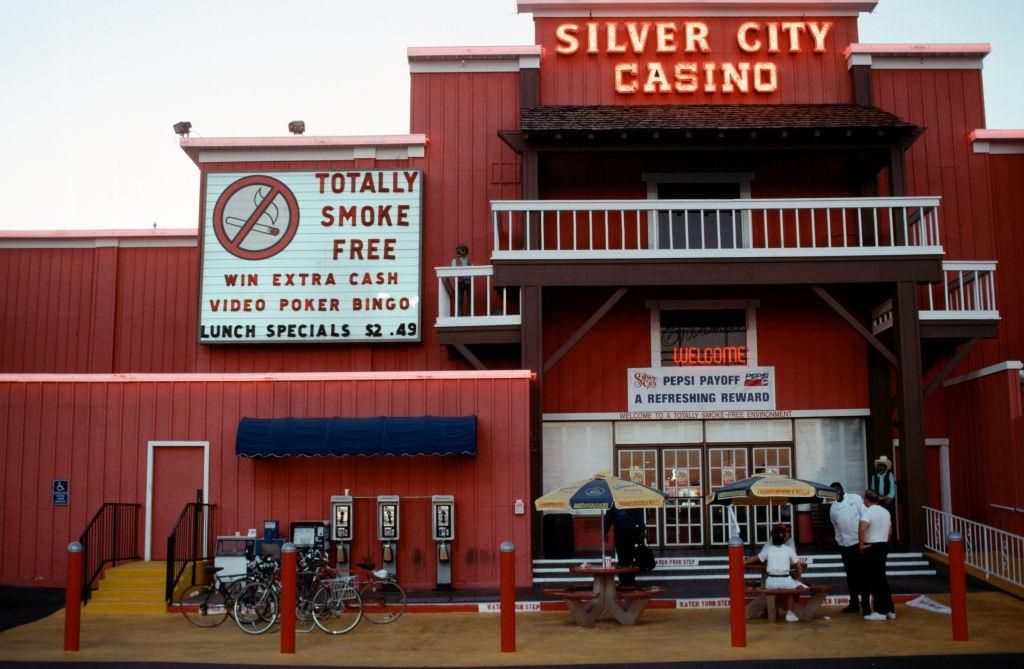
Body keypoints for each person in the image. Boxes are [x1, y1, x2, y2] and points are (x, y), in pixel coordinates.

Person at [745, 524, 805, 622]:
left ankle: (769, 611)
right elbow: (799, 567)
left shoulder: (768, 549)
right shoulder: (789, 550)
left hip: (770, 583)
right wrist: (798, 579)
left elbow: (756, 558)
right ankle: (789, 613)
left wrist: (743, 561)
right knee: (791, 590)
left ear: (772, 538)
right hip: (786, 582)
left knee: (770, 588)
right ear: (784, 538)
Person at [829, 482, 869, 614]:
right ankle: (854, 604)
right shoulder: (833, 508)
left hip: (858, 544)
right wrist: (839, 542)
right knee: (850, 576)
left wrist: (864, 539)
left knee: (862, 575)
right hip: (845, 547)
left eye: (838, 489)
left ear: (842, 489)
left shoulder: (855, 498)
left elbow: (865, 516)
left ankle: (866, 604)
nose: (837, 492)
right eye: (833, 491)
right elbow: (836, 527)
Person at [859, 489, 895, 621]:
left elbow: (862, 527)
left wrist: (861, 544)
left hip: (872, 546)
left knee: (874, 579)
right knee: (882, 578)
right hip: (883, 545)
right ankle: (890, 609)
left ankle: (880, 611)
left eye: (864, 499)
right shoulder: (885, 512)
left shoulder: (868, 511)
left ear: (867, 499)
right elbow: (890, 531)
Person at [603, 505, 645, 586]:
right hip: (630, 533)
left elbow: (608, 519)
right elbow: (639, 517)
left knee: (622, 558)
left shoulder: (613, 505)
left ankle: (623, 580)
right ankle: (630, 580)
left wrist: (605, 532)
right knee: (630, 558)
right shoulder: (631, 503)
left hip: (620, 534)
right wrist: (642, 529)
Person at [451, 244, 471, 316]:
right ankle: (459, 314)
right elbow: (452, 272)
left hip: (468, 281)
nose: (462, 253)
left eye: (463, 251)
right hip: (460, 282)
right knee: (459, 299)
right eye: (460, 251)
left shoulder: (469, 260)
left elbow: (473, 269)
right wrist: (456, 280)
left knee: (470, 298)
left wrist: (469, 278)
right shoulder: (455, 260)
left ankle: (470, 314)